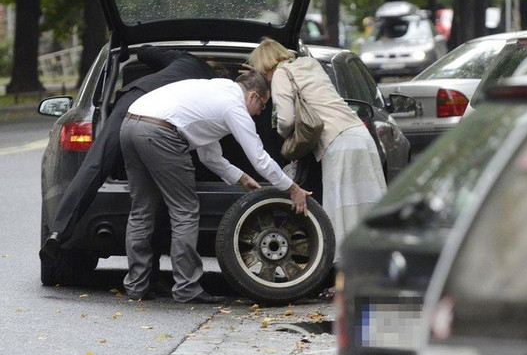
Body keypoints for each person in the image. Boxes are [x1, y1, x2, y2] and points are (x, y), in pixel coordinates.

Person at [119, 70, 311, 304]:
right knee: (184, 212)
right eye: (263, 104)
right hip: (162, 133)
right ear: (252, 96)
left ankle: (136, 286)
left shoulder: (215, 91)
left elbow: (209, 155)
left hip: (130, 124)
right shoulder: (234, 107)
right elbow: (259, 157)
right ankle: (187, 287)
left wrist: (240, 177)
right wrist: (292, 188)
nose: (261, 112)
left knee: (141, 211)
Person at [39, 47, 219, 270]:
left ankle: (57, 233)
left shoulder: (183, 59)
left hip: (133, 100)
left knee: (95, 164)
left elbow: (145, 53)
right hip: (162, 124)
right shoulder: (215, 85)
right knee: (157, 196)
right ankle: (151, 275)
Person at [247, 38, 387, 298]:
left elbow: (287, 120)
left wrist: (279, 133)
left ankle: (344, 284)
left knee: (340, 213)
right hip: (360, 136)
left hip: (338, 143)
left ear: (264, 64)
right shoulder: (309, 64)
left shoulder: (280, 74)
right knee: (366, 209)